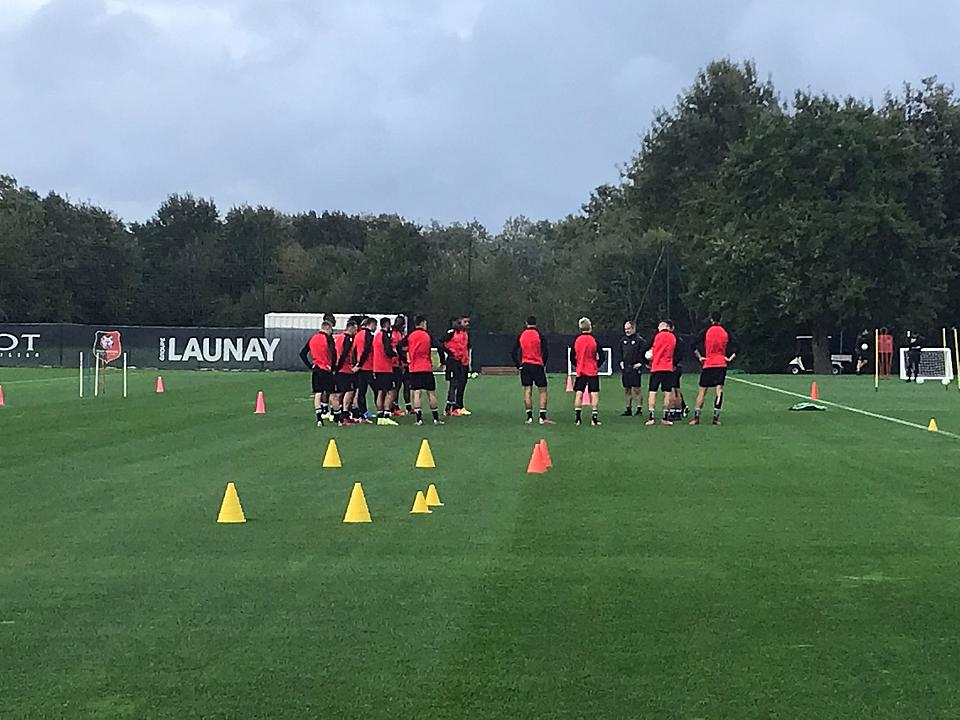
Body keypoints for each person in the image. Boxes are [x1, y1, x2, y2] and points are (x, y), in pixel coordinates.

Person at [690, 313, 737, 426]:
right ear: (720, 319)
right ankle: (715, 418)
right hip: (721, 364)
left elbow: (693, 344)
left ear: (711, 319)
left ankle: (696, 417)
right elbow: (738, 346)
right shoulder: (725, 332)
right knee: (719, 390)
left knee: (702, 391)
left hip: (708, 363)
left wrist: (700, 357)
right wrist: (730, 358)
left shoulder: (706, 331)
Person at [511, 315, 553, 425]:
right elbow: (546, 351)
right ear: (536, 323)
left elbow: (513, 351)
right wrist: (543, 362)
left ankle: (529, 417)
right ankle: (542, 417)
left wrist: (518, 365)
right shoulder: (539, 335)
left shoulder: (522, 335)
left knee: (527, 390)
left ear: (526, 323)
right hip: (537, 365)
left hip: (525, 365)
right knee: (542, 390)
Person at [404, 315, 446, 426]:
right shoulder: (427, 336)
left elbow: (399, 346)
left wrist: (405, 358)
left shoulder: (410, 336)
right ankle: (436, 419)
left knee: (416, 393)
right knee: (431, 393)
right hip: (426, 368)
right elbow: (440, 347)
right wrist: (442, 361)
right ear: (423, 323)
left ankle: (418, 420)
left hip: (414, 368)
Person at [298, 320, 337, 427]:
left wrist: (310, 366)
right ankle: (335, 415)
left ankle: (319, 418)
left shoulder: (313, 338)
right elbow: (333, 353)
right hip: (326, 369)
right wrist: (333, 367)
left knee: (318, 393)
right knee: (332, 393)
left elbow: (302, 353)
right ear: (328, 328)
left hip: (316, 369)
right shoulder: (328, 338)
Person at [569, 316, 602, 426]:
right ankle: (594, 418)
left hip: (581, 371)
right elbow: (601, 356)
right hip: (592, 370)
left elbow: (572, 356)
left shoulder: (577, 340)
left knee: (579, 393)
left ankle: (577, 419)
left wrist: (577, 365)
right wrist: (597, 364)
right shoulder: (594, 340)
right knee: (594, 394)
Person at [645, 321, 677, 426]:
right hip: (668, 367)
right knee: (667, 392)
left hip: (656, 367)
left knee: (652, 392)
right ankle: (665, 418)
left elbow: (648, 350)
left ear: (662, 327)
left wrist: (648, 360)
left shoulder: (656, 337)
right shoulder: (672, 337)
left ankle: (651, 418)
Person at [372, 317, 399, 426]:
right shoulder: (385, 336)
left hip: (376, 367)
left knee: (380, 391)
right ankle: (387, 414)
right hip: (385, 367)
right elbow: (387, 351)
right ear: (387, 324)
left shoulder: (377, 335)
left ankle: (380, 416)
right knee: (391, 391)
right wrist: (394, 353)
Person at [332, 319, 358, 427]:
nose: (356, 332)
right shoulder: (348, 339)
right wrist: (339, 367)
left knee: (340, 393)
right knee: (350, 391)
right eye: (355, 329)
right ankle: (344, 415)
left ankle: (337, 414)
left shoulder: (339, 337)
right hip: (345, 369)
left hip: (340, 369)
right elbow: (344, 354)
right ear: (351, 327)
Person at [443, 317, 471, 416]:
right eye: (465, 322)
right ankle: (449, 408)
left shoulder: (465, 334)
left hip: (462, 362)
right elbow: (441, 342)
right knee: (453, 384)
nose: (467, 324)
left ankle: (459, 406)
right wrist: (450, 352)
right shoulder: (451, 333)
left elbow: (467, 348)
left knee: (461, 384)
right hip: (453, 362)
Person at [618, 321, 645, 416]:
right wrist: (621, 362)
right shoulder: (623, 340)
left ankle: (639, 409)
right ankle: (628, 409)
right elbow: (620, 353)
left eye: (629, 329)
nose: (627, 331)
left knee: (637, 389)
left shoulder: (640, 341)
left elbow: (644, 354)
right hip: (626, 368)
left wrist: (640, 363)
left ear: (633, 328)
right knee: (627, 389)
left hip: (635, 368)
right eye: (625, 329)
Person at [352, 317, 377, 418]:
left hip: (361, 368)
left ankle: (363, 411)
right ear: (371, 325)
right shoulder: (369, 335)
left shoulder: (358, 334)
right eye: (375, 325)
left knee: (361, 391)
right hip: (368, 367)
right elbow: (366, 350)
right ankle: (381, 410)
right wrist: (360, 364)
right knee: (377, 389)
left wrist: (355, 364)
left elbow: (353, 351)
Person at [665, 320, 687, 422]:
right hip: (678, 366)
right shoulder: (680, 340)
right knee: (677, 389)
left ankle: (673, 411)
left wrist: (672, 364)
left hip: (672, 366)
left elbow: (677, 354)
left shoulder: (672, 339)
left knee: (672, 390)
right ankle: (678, 411)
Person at [391, 315, 412, 416]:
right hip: (395, 364)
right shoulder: (392, 334)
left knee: (407, 385)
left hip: (404, 363)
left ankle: (408, 406)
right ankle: (394, 407)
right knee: (397, 386)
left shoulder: (401, 334)